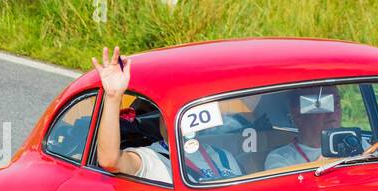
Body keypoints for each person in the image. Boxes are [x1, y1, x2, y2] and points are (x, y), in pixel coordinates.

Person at [91, 46, 239, 183]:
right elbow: (110, 160)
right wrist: (113, 97)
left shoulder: (223, 156)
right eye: (172, 107)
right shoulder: (152, 158)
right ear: (161, 117)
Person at [264, 85, 342, 170]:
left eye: (337, 103)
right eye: (322, 104)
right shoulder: (279, 159)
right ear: (297, 115)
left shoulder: (352, 143)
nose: (333, 111)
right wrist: (324, 164)